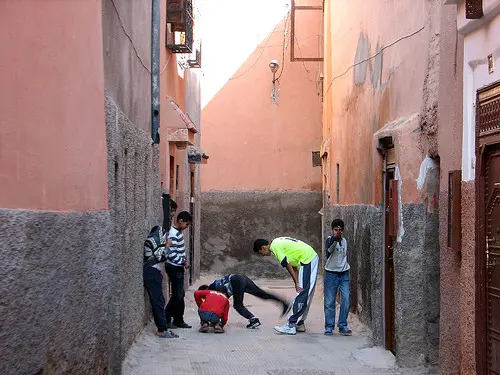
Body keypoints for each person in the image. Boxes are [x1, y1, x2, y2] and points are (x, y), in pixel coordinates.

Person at [253, 237, 319, 335]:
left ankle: (291, 325)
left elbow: (287, 264)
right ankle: (299, 323)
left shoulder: (275, 247)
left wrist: (297, 282)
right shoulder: (277, 242)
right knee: (305, 293)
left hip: (307, 259)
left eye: (260, 253)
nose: (262, 255)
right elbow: (293, 265)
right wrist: (297, 282)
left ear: (263, 248)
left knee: (303, 293)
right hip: (307, 259)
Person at [202, 274, 291, 329]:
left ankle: (253, 320)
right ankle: (284, 303)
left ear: (204, 290)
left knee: (238, 305)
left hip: (236, 281)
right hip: (242, 278)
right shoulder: (214, 285)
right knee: (262, 294)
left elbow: (222, 289)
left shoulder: (211, 289)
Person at [143, 225, 179, 338]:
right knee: (158, 302)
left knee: (160, 301)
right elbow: (161, 257)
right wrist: (167, 246)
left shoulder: (154, 241)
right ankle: (162, 330)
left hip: (154, 273)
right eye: (164, 236)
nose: (165, 238)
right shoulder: (153, 241)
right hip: (152, 273)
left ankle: (163, 327)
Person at [324, 219, 352, 336]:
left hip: (344, 273)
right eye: (336, 230)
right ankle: (329, 326)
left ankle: (342, 325)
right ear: (332, 230)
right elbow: (329, 251)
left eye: (340, 230)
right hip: (331, 274)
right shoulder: (330, 240)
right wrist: (335, 239)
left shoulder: (345, 241)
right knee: (330, 301)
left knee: (346, 299)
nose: (338, 232)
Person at [165, 211, 193, 329]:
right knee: (178, 295)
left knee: (178, 294)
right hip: (174, 267)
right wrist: (182, 262)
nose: (186, 227)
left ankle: (176, 319)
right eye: (186, 224)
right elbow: (170, 253)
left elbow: (179, 250)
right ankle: (171, 318)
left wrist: (184, 261)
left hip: (178, 266)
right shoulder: (172, 234)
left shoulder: (178, 232)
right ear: (180, 221)